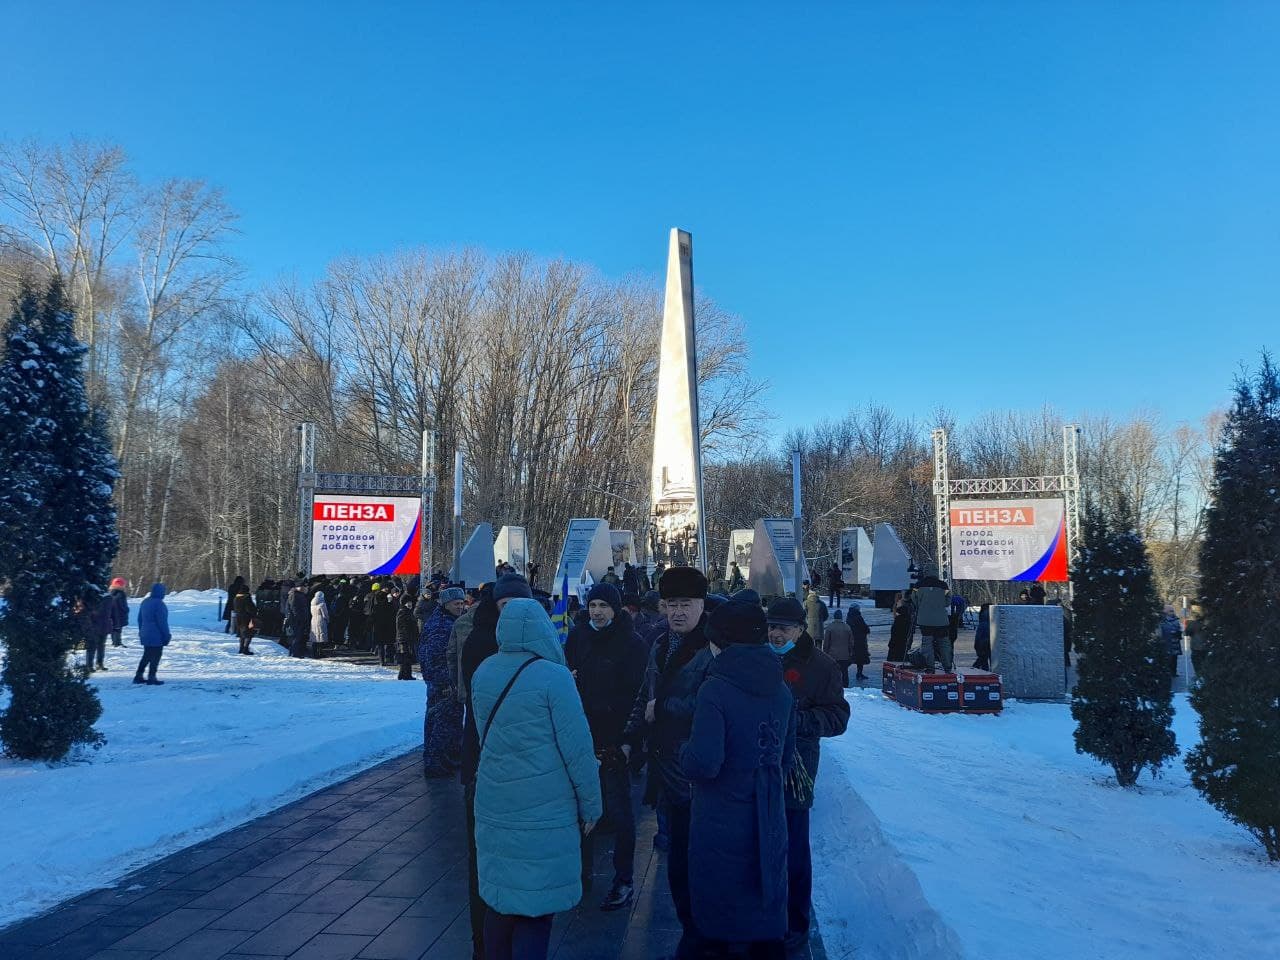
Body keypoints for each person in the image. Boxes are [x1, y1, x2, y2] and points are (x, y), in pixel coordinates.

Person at [471, 598, 602, 960]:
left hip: (495, 800)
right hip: (545, 807)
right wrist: (592, 805)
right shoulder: (554, 677)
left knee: (500, 902)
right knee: (536, 909)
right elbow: (577, 749)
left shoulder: (484, 671)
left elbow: (485, 735)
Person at [683, 600, 795, 960]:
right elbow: (786, 756)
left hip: (722, 817)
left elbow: (705, 763)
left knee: (719, 910)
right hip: (768, 815)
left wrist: (683, 751)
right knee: (763, 898)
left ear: (723, 642)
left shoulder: (715, 689)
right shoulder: (781, 688)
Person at [623, 566, 713, 960]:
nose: (677, 612)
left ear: (701, 605)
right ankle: (691, 935)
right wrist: (629, 738)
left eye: (685, 604)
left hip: (698, 776)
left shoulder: (713, 647)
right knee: (677, 867)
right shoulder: (660, 644)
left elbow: (715, 704)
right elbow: (645, 696)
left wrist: (665, 709)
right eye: (671, 604)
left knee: (699, 870)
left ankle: (700, 940)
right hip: (666, 773)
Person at [766, 597, 851, 952]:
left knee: (794, 849)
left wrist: (799, 722)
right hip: (758, 766)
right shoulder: (758, 658)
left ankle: (795, 924)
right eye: (771, 626)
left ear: (801, 629)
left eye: (783, 627)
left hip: (797, 768)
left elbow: (837, 717)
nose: (775, 633)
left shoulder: (821, 666)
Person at [460, 574, 532, 960]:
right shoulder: (483, 642)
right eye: (506, 606)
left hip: (516, 766)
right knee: (483, 863)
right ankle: (484, 945)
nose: (513, 615)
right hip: (486, 763)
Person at [565, 582, 647, 912]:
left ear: (615, 608)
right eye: (593, 605)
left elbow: (638, 695)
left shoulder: (632, 643)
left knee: (620, 811)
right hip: (582, 734)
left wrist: (629, 740)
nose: (597, 611)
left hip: (616, 738)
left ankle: (623, 879)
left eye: (604, 605)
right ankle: (581, 874)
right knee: (581, 809)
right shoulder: (578, 637)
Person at [419, 586, 467, 778]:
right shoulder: (441, 626)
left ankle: (443, 759)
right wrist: (445, 683)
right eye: (457, 603)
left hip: (446, 683)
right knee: (441, 724)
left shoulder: (446, 621)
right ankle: (435, 763)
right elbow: (436, 658)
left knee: (447, 722)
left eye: (462, 603)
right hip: (443, 685)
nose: (461, 607)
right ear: (446, 604)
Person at [914, 569, 952, 671]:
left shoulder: (918, 585)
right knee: (944, 643)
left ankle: (930, 666)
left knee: (927, 643)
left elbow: (915, 600)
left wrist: (924, 606)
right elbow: (948, 601)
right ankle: (947, 666)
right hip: (941, 620)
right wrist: (939, 605)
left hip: (925, 620)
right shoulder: (944, 585)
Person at [133, 583, 171, 685]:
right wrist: (166, 635)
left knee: (146, 655)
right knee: (156, 655)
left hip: (145, 633)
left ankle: (139, 675)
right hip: (156, 635)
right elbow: (162, 622)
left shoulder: (145, 602)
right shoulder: (160, 604)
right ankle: (152, 676)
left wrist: (141, 631)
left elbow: (140, 619)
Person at [822, 609, 854, 688]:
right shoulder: (847, 627)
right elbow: (851, 642)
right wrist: (850, 653)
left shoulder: (830, 627)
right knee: (844, 672)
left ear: (834, 617)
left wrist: (825, 653)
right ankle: (845, 686)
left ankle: (833, 686)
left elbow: (826, 643)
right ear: (841, 617)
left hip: (832, 655)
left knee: (833, 673)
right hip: (844, 655)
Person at [1159, 605, 1183, 688]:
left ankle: (1173, 672)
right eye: (1170, 611)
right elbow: (1160, 631)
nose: (1172, 612)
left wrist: (1178, 633)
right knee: (1168, 659)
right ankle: (1167, 673)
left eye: (1173, 611)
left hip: (1175, 642)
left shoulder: (1176, 620)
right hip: (1166, 642)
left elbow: (1179, 629)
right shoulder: (1162, 620)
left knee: (1174, 658)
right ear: (1165, 612)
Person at [395, 594, 418, 680]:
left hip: (407, 637)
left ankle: (403, 674)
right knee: (405, 656)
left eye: (410, 602)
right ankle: (405, 674)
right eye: (408, 602)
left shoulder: (408, 612)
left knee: (406, 656)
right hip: (404, 638)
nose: (410, 604)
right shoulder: (402, 612)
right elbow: (401, 627)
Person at [888, 593, 913, 662]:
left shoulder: (899, 604)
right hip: (902, 641)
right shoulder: (906, 616)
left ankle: (893, 658)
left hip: (896, 642)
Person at [233, 585, 257, 655]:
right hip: (246, 618)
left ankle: (241, 648)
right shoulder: (246, 598)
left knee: (241, 634)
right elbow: (249, 608)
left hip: (238, 618)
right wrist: (254, 611)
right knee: (248, 634)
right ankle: (245, 649)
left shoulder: (236, 598)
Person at [108, 577, 129, 647]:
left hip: (112, 614)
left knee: (114, 628)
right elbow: (123, 605)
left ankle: (115, 641)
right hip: (120, 614)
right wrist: (126, 609)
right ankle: (117, 642)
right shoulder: (121, 594)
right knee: (118, 629)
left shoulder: (110, 593)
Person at [1186, 606, 1207, 677]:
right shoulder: (1208, 621)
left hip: (1196, 647)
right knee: (1205, 663)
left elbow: (1186, 632)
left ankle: (1199, 678)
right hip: (1206, 647)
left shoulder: (1194, 623)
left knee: (1197, 664)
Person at [973, 603, 992, 670]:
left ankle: (977, 669)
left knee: (982, 659)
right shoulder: (990, 619)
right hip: (987, 641)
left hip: (982, 641)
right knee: (984, 658)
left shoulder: (982, 620)